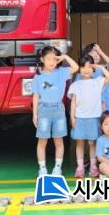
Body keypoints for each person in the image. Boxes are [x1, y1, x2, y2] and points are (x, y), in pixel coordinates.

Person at [32, 46, 79, 177]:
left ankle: (57, 168)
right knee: (42, 141)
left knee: (58, 140)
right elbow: (36, 96)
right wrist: (34, 114)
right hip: (43, 109)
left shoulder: (61, 72)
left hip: (58, 109)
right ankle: (42, 169)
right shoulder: (38, 77)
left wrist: (65, 57)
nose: (52, 62)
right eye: (48, 59)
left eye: (54, 59)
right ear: (42, 59)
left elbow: (76, 67)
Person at [68, 55, 109, 178]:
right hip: (80, 118)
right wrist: (72, 117)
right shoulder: (76, 84)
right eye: (83, 67)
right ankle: (80, 167)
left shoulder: (97, 81)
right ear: (79, 69)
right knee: (80, 143)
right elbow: (73, 103)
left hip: (94, 117)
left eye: (89, 67)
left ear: (93, 68)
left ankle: (93, 166)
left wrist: (100, 67)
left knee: (92, 143)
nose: (86, 70)